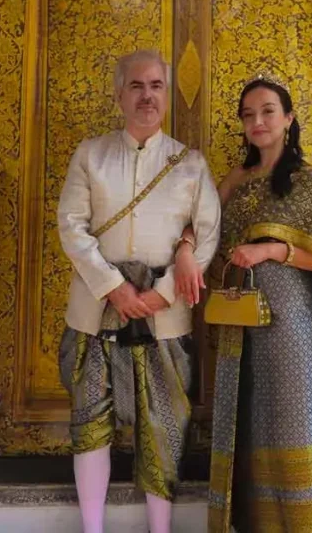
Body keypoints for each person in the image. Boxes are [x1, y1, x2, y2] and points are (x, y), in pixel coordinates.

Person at [174, 74, 312, 532]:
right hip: (240, 324)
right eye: (249, 115)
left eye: (268, 112)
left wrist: (274, 250)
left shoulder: (305, 181)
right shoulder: (237, 179)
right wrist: (184, 245)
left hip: (294, 325)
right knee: (250, 427)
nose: (257, 122)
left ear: (289, 119)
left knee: (296, 424)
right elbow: (203, 226)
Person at [56, 50, 221, 533]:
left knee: (162, 427)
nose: (147, 95)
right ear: (119, 94)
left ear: (167, 95)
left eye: (156, 86)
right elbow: (71, 226)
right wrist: (114, 288)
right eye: (136, 86)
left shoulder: (189, 164)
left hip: (164, 318)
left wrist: (164, 293)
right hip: (94, 311)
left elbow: (207, 233)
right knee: (90, 422)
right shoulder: (90, 154)